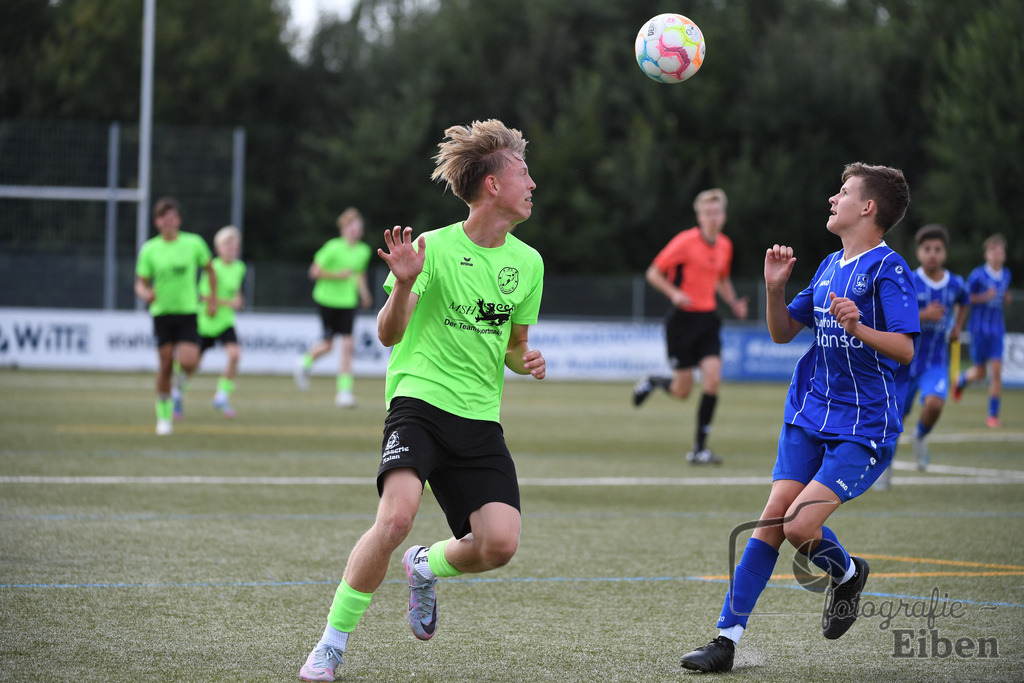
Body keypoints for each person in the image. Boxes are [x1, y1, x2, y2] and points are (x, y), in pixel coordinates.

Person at [299, 119, 546, 682]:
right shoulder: (430, 248)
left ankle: (424, 566)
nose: (533, 184)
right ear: (492, 184)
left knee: (499, 545)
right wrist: (406, 284)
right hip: (419, 404)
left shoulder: (528, 264)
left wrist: (526, 359)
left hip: (480, 418)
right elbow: (388, 335)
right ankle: (330, 646)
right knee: (395, 519)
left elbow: (514, 346)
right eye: (524, 173)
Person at [679, 163, 917, 673]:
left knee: (800, 524)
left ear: (868, 208)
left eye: (844, 192)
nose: (834, 199)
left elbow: (903, 350)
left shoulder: (888, 270)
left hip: (863, 426)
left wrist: (860, 326)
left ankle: (848, 572)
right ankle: (726, 639)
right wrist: (773, 289)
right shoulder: (830, 264)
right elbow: (783, 332)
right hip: (808, 415)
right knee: (772, 522)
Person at [632, 188, 748, 465]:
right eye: (707, 212)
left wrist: (733, 302)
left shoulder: (725, 245)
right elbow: (653, 272)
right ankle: (654, 381)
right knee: (682, 391)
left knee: (713, 380)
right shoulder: (684, 242)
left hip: (708, 320)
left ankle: (698, 449)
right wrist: (674, 294)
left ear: (724, 215)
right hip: (682, 322)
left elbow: (721, 278)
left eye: (716, 212)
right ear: (699, 215)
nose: (712, 217)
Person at [875, 224, 967, 490]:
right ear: (918, 252)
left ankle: (921, 436)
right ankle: (885, 471)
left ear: (945, 253)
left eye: (937, 249)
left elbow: (965, 300)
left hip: (936, 362)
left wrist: (958, 325)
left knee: (935, 404)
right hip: (905, 364)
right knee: (895, 422)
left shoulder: (955, 283)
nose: (932, 254)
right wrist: (923, 316)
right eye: (927, 249)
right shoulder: (909, 280)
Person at [134, 197, 216, 435]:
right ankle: (164, 415)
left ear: (178, 220)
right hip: (162, 315)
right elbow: (140, 283)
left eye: (172, 217)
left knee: (190, 361)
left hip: (189, 311)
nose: (168, 221)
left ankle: (178, 390)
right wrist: (145, 294)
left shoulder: (194, 243)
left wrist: (211, 299)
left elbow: (210, 271)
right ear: (157, 221)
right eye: (163, 217)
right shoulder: (150, 249)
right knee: (166, 364)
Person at [293, 207, 374, 407]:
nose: (356, 230)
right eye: (352, 227)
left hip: (348, 303)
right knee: (328, 345)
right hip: (327, 300)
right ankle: (303, 363)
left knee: (347, 345)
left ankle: (344, 393)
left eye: (358, 227)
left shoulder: (364, 251)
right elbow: (314, 272)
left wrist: (364, 294)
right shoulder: (332, 247)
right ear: (344, 229)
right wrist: (338, 275)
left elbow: (359, 274)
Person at [953, 233, 1012, 428]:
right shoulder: (978, 274)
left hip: (997, 330)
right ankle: (962, 380)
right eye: (992, 251)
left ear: (1004, 255)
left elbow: (1004, 293)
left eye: (1000, 252)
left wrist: (1006, 297)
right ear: (986, 254)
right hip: (979, 329)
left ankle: (992, 415)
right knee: (979, 372)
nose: (996, 255)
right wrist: (984, 297)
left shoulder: (1006, 274)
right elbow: (966, 298)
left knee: (996, 372)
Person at [196, 225, 247, 419]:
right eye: (227, 246)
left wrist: (238, 302)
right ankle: (176, 392)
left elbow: (237, 295)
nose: (231, 250)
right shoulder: (212, 267)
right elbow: (205, 297)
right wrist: (229, 303)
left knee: (235, 355)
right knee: (191, 364)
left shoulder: (239, 268)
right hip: (206, 322)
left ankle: (221, 396)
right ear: (218, 248)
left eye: (235, 246)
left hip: (225, 321)